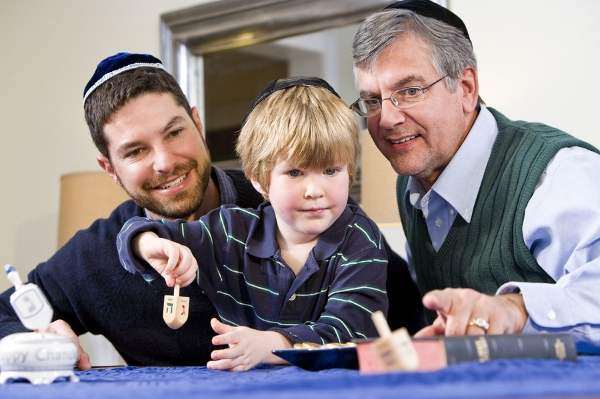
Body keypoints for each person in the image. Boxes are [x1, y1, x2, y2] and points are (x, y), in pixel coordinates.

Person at [351, 0, 600, 347]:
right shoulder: (410, 184)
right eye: (373, 101)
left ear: (466, 88)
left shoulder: (557, 172)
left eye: (409, 91)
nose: (387, 120)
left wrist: (514, 311)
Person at [0, 52, 264, 368]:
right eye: (136, 151)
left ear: (197, 123)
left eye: (175, 132)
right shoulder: (95, 256)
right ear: (110, 168)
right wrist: (36, 337)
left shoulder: (282, 203)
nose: (165, 162)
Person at [116, 77, 389, 371]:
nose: (315, 190)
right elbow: (136, 233)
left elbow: (351, 332)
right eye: (295, 172)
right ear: (259, 179)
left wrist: (274, 345)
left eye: (330, 170)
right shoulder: (231, 231)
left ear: (349, 171)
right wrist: (150, 245)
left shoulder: (360, 240)